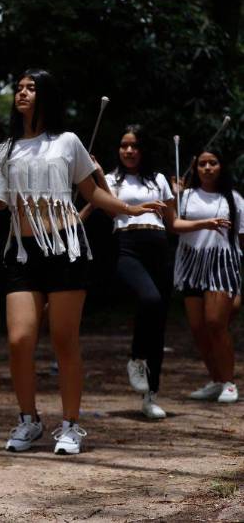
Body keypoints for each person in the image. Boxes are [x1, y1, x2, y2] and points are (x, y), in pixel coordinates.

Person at [0, 69, 164, 454]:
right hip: (22, 252)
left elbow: (93, 193)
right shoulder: (4, 150)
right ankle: (28, 420)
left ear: (46, 95)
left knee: (64, 340)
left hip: (66, 248)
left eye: (30, 87)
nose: (21, 93)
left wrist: (129, 209)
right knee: (20, 340)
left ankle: (70, 425)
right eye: (17, 87)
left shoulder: (68, 142)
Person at [80, 125, 175, 418]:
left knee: (158, 324)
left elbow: (173, 222)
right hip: (128, 247)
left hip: (159, 247)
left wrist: (207, 223)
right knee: (150, 300)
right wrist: (96, 174)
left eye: (134, 145)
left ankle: (151, 396)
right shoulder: (110, 179)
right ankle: (136, 358)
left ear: (143, 149)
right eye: (124, 145)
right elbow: (113, 210)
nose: (129, 150)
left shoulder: (158, 179)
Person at [169, 149, 241, 404]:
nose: (208, 167)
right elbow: (171, 224)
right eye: (202, 164)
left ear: (221, 167)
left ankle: (230, 382)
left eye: (213, 163)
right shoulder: (185, 197)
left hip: (222, 264)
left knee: (214, 323)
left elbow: (241, 239)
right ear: (195, 168)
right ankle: (216, 380)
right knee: (198, 329)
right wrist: (173, 196)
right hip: (191, 265)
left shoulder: (234, 199)